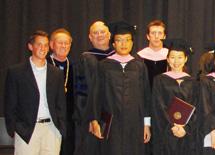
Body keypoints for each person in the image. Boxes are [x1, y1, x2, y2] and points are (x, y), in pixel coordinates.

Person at [88, 21, 152, 155]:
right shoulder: (104, 66)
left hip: (135, 122)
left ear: (132, 43)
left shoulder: (139, 66)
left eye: (127, 40)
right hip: (111, 122)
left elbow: (146, 97)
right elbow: (95, 95)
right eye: (119, 40)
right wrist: (94, 120)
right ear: (113, 44)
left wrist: (147, 124)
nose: (124, 44)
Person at [5, 30, 67, 155]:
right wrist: (15, 128)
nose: (42, 48)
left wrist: (61, 127)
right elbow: (10, 103)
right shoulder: (16, 72)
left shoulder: (56, 73)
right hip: (27, 130)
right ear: (30, 46)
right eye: (39, 44)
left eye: (45, 45)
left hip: (51, 129)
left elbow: (61, 103)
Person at [150, 39, 204, 155]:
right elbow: (158, 107)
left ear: (185, 59)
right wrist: (172, 127)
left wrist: (186, 128)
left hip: (187, 134)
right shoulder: (159, 80)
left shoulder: (193, 82)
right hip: (166, 133)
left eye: (180, 57)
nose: (176, 61)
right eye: (173, 57)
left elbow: (197, 107)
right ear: (168, 59)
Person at [72, 20, 114, 155]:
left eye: (103, 32)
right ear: (90, 37)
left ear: (109, 35)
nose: (100, 35)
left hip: (116, 116)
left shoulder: (120, 58)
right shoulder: (85, 59)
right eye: (95, 33)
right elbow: (80, 93)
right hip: (92, 117)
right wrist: (90, 118)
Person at [46, 28, 75, 155]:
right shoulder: (43, 64)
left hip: (69, 121)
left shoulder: (75, 66)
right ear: (51, 45)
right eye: (60, 42)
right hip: (48, 119)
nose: (64, 46)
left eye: (67, 43)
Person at [138, 20, 168, 86]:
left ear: (164, 37)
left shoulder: (170, 57)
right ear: (148, 36)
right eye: (153, 33)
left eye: (160, 33)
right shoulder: (139, 57)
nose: (156, 36)